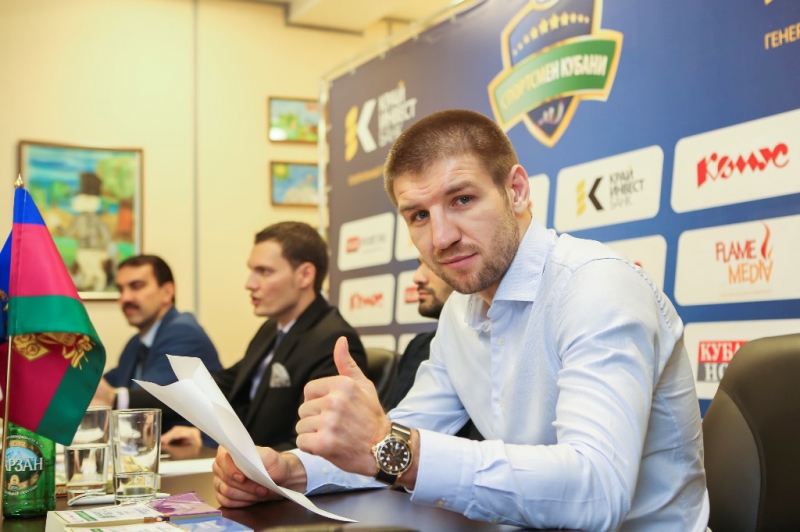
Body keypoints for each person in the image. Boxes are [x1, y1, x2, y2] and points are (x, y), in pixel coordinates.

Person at [211, 110, 709, 531]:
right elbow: (398, 437)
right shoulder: (460, 311)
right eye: (418, 215)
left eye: (462, 200)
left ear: (516, 191)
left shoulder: (596, 286)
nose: (441, 237)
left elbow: (597, 489)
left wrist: (395, 449)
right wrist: (288, 472)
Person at [156, 221, 368, 452]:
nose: (250, 284)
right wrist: (204, 436)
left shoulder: (332, 340)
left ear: (305, 275)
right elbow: (223, 389)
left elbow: (314, 444)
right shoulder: (270, 329)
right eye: (252, 271)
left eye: (264, 271)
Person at [92, 254, 221, 430]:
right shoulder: (135, 343)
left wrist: (111, 397)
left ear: (167, 292)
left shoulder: (184, 333)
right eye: (121, 289)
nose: (125, 298)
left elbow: (152, 397)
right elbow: (108, 385)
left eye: (136, 287)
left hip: (189, 444)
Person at [381, 257, 453, 410]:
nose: (417, 277)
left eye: (432, 263)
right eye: (420, 264)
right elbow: (396, 419)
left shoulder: (487, 350)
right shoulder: (418, 346)